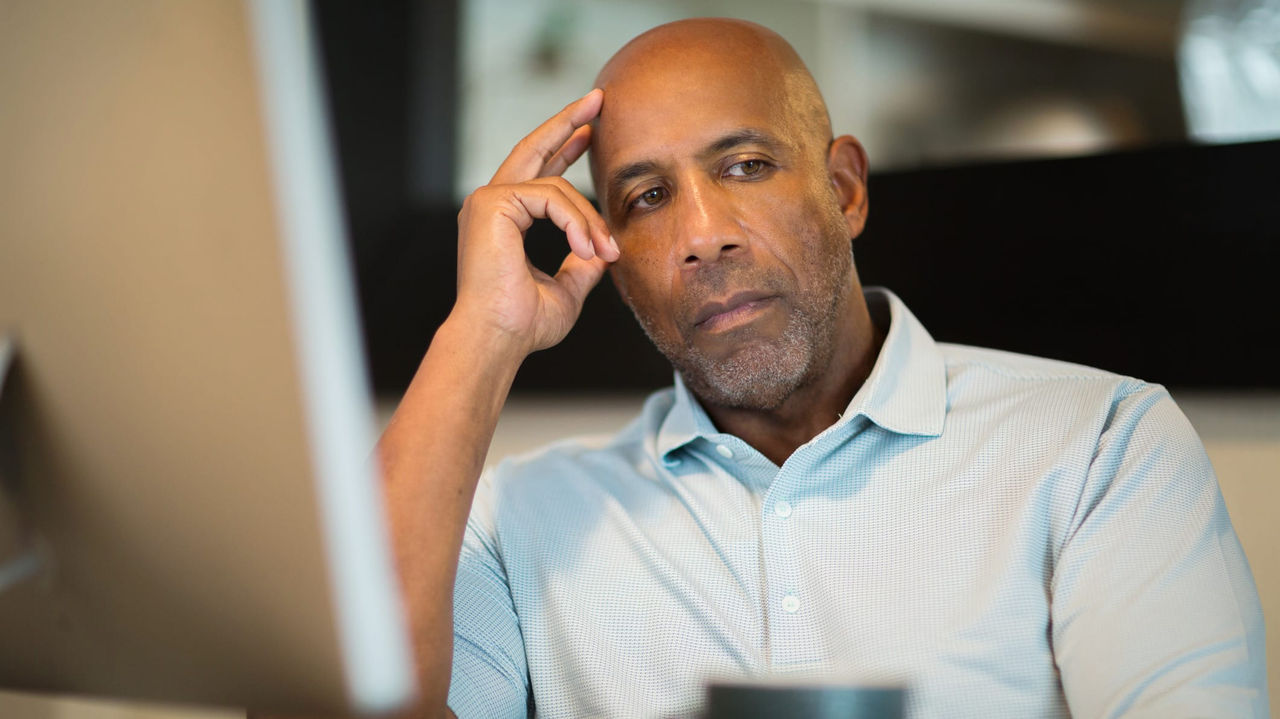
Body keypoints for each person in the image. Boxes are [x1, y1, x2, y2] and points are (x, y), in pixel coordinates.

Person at [376, 18, 1268, 719]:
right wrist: (480, 332)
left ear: (844, 189)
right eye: (646, 198)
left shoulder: (1099, 447)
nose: (701, 236)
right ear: (607, 249)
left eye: (747, 165)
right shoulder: (519, 519)